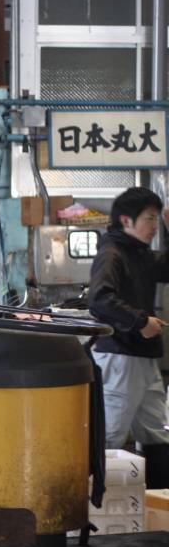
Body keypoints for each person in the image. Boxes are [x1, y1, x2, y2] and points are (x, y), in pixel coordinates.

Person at [89, 186, 169, 488]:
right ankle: (95, 510)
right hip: (120, 357)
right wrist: (139, 322)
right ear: (126, 221)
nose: (153, 226)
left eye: (156, 218)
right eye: (149, 218)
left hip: (144, 357)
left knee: (157, 433)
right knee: (111, 433)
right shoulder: (112, 253)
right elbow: (99, 299)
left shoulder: (140, 254)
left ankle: (158, 504)